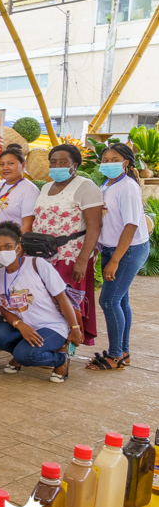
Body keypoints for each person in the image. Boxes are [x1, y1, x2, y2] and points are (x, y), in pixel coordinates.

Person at [0, 222, 81, 382]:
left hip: (51, 326)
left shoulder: (37, 264)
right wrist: (19, 325)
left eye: (8, 246)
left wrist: (74, 328)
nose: (2, 252)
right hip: (24, 327)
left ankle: (60, 359)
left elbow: (61, 298)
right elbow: (3, 308)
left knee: (26, 355)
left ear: (18, 246)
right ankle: (20, 352)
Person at [32, 143, 103, 347]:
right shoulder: (46, 187)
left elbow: (94, 225)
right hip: (44, 256)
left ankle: (65, 349)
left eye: (63, 162)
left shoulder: (86, 186)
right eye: (53, 162)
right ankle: (47, 342)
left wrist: (82, 262)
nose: (57, 166)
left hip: (70, 257)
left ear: (75, 165)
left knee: (68, 303)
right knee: (46, 302)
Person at [87, 142, 150, 371]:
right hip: (112, 248)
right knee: (120, 300)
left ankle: (115, 357)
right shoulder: (107, 183)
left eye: (114, 160)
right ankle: (123, 352)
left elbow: (131, 225)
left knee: (109, 300)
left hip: (128, 249)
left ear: (125, 162)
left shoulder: (128, 187)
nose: (108, 163)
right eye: (105, 160)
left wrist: (115, 260)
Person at [0, 147, 39, 252]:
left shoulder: (29, 190)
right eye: (2, 164)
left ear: (23, 165)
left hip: (9, 252)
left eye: (10, 163)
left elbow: (27, 226)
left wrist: (19, 250)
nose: (5, 168)